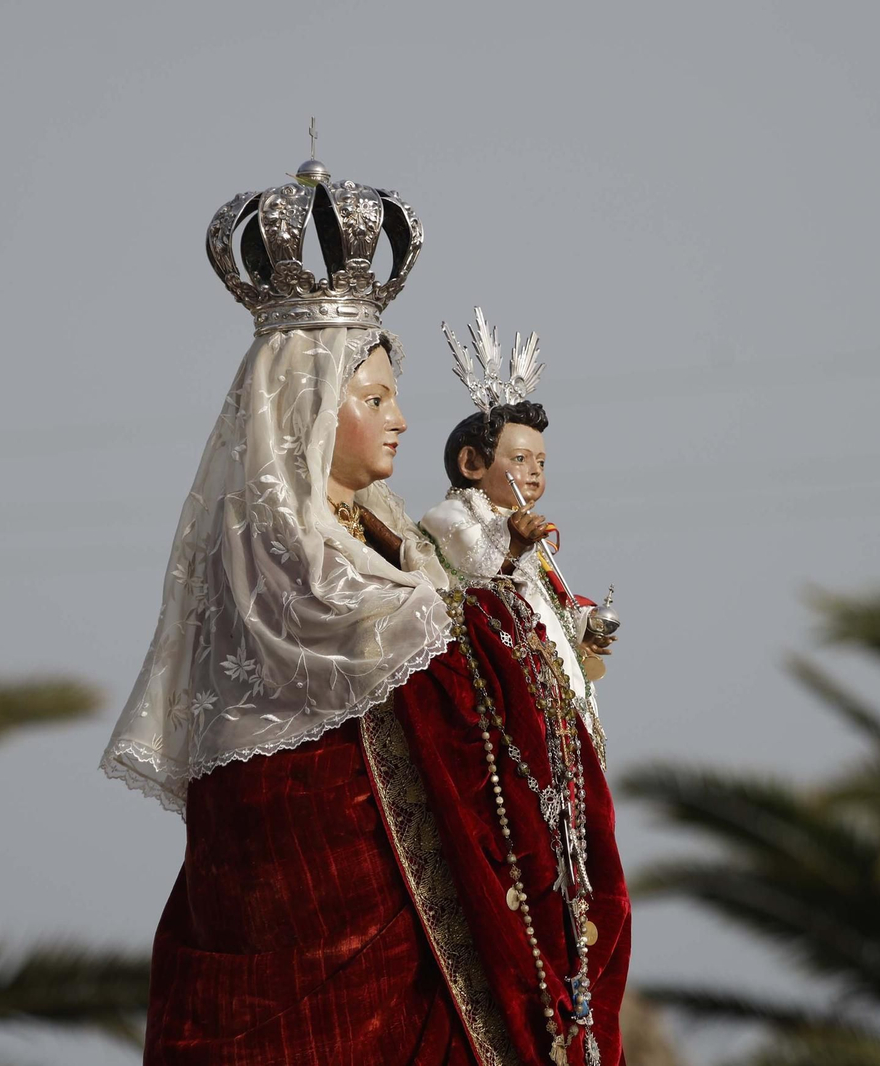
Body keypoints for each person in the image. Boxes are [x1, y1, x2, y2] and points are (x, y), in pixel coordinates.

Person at [100, 157, 629, 1064]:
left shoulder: (393, 548)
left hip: (416, 942)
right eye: (375, 398)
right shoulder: (274, 550)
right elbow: (406, 657)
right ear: (308, 409)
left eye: (396, 397)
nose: (401, 422)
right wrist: (499, 634)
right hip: (310, 908)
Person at [421, 311, 615, 760]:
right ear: (472, 463)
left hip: (558, 698)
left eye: (541, 464)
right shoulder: (450, 516)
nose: (533, 473)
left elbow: (543, 606)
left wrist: (581, 631)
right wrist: (512, 546)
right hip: (502, 701)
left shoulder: (528, 534)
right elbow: (477, 591)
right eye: (522, 459)